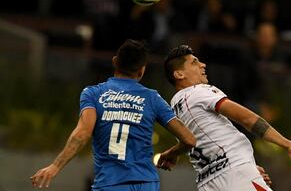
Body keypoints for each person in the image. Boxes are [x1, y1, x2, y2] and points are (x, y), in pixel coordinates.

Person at [30, 39, 196, 190]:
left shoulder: (93, 94)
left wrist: (55, 166)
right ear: (142, 71)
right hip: (146, 183)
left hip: (110, 183)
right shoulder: (152, 98)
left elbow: (82, 133)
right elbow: (189, 140)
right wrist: (171, 154)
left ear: (115, 62)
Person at [158, 45, 291, 191]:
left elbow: (199, 142)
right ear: (179, 74)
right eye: (194, 62)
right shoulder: (199, 91)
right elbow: (248, 119)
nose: (203, 65)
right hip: (235, 172)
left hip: (208, 183)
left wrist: (248, 166)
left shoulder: (175, 108)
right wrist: (288, 144)